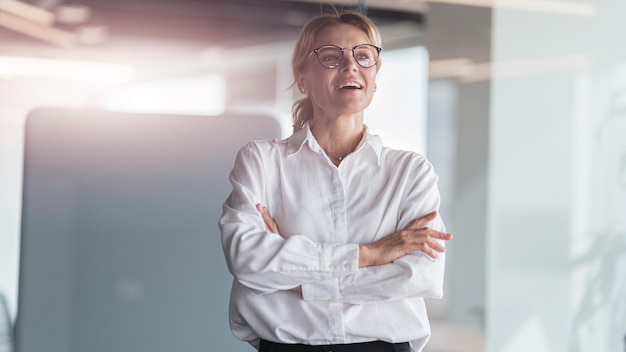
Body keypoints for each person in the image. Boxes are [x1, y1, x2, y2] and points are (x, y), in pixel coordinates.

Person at [219, 10, 452, 352]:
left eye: (363, 56)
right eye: (331, 57)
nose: (350, 67)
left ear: (374, 75)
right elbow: (248, 259)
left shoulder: (410, 172)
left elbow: (420, 276)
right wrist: (372, 253)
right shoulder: (262, 161)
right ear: (303, 78)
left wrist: (298, 279)